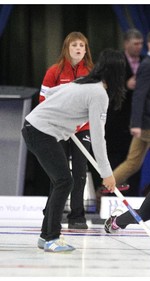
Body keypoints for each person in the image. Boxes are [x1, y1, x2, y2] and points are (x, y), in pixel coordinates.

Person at [21, 49, 126, 252]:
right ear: (117, 73)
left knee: (59, 181)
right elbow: (97, 137)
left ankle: (45, 236)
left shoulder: (84, 82)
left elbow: (53, 92)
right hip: (40, 131)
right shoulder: (98, 93)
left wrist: (64, 115)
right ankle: (52, 237)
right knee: (64, 181)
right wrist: (107, 174)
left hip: (36, 128)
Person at [39, 31, 94, 229]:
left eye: (82, 45)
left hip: (82, 128)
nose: (78, 49)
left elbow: (94, 102)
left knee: (80, 171)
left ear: (86, 49)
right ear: (67, 48)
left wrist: (81, 122)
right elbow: (43, 100)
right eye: (74, 45)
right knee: (59, 172)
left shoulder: (91, 72)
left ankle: (77, 215)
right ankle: (52, 212)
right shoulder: (54, 71)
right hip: (59, 129)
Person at [112, 29, 150, 190]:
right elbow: (139, 95)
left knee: (133, 162)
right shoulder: (148, 65)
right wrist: (136, 123)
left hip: (148, 120)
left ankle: (104, 189)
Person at [104, 28, 144, 197]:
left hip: (137, 122)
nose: (139, 47)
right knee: (116, 159)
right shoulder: (116, 62)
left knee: (134, 161)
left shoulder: (146, 62)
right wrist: (125, 86)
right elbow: (107, 88)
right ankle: (111, 196)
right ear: (126, 43)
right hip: (117, 120)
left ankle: (133, 196)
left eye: (141, 44)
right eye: (135, 44)